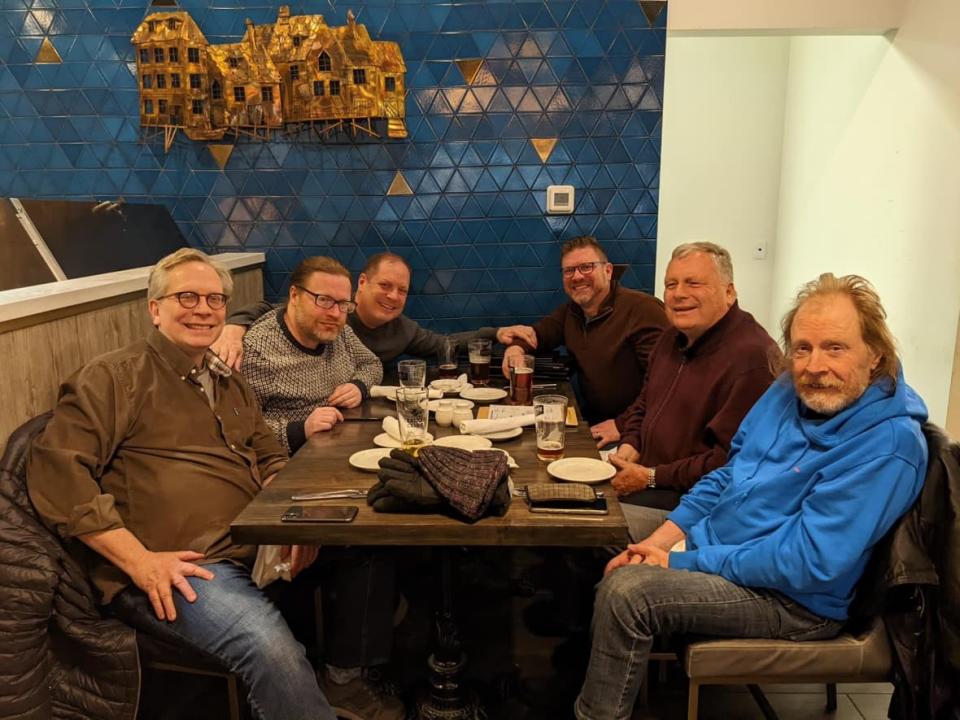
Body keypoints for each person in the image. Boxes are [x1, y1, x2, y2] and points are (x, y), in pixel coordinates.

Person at [574, 273, 929, 720]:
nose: (814, 365)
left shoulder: (888, 445)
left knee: (629, 594)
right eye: (802, 348)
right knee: (591, 524)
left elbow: (809, 561)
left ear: (875, 354)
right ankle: (587, 666)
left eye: (835, 348)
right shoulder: (786, 390)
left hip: (795, 599)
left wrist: (679, 561)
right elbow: (728, 475)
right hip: (723, 548)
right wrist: (663, 541)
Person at [26, 248, 337, 720]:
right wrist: (141, 561)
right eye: (187, 296)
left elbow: (270, 454)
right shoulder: (114, 377)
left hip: (250, 545)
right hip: (180, 568)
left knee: (361, 555)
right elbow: (57, 473)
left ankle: (349, 682)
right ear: (155, 309)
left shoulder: (229, 381)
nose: (204, 309)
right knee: (271, 651)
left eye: (215, 299)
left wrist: (287, 517)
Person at [592, 242, 778, 534]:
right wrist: (630, 445)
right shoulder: (671, 338)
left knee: (582, 528)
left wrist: (650, 476)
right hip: (648, 476)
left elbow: (729, 462)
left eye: (694, 283)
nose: (679, 294)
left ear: (729, 292)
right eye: (671, 284)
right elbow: (645, 403)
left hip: (693, 502)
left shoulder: (752, 358)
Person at [214, 251, 536, 367]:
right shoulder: (333, 311)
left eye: (402, 291)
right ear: (363, 283)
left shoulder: (402, 329)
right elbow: (270, 310)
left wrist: (496, 334)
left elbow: (444, 345)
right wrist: (232, 328)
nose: (393, 297)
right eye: (385, 286)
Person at [501, 236, 669, 424]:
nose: (577, 276)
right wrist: (516, 348)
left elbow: (666, 383)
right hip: (594, 421)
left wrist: (622, 425)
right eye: (569, 270)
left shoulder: (643, 310)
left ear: (608, 271)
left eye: (586, 267)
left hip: (637, 428)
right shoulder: (572, 312)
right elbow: (538, 334)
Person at [241, 256, 383, 451]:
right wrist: (300, 430)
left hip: (343, 444)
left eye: (342, 304)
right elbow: (241, 428)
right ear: (294, 296)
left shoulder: (341, 334)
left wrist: (359, 386)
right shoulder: (259, 351)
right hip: (293, 462)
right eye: (323, 300)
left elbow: (372, 364)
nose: (335, 314)